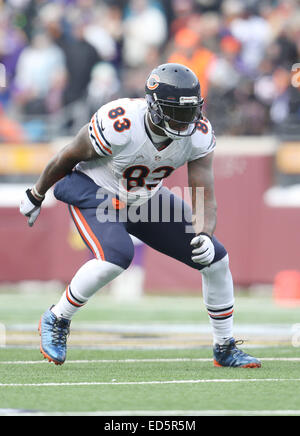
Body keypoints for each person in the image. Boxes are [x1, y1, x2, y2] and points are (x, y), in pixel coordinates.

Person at [20, 63, 261, 368]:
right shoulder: (119, 123)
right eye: (177, 111)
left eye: (191, 111)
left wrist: (204, 233)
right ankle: (56, 318)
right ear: (154, 105)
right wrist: (37, 193)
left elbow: (203, 194)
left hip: (144, 197)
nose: (186, 120)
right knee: (116, 255)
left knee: (216, 258)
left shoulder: (198, 134)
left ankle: (224, 347)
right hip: (94, 189)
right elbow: (67, 156)